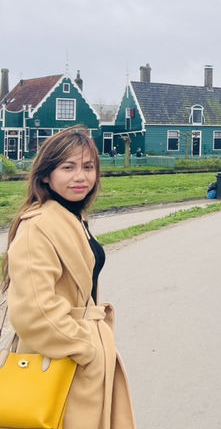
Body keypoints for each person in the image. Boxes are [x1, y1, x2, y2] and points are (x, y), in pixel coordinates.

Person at [0, 126, 135, 429]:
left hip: (77, 359)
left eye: (88, 167)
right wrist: (85, 349)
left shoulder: (72, 216)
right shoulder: (39, 226)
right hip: (60, 360)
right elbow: (34, 311)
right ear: (46, 175)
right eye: (68, 167)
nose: (81, 177)